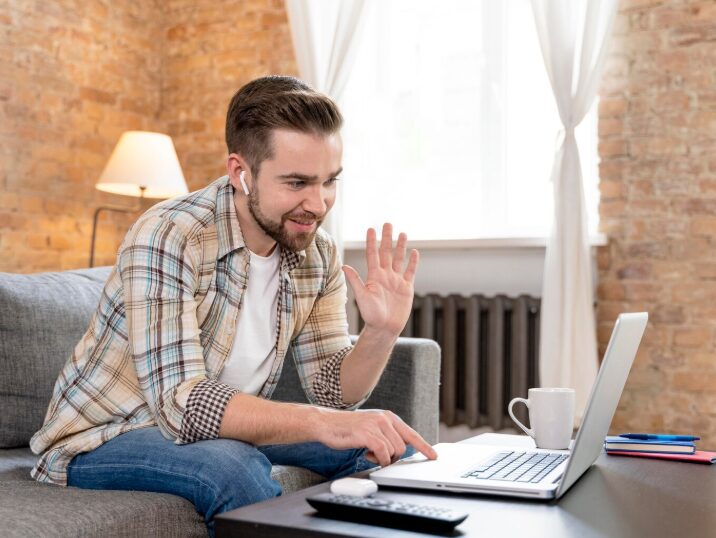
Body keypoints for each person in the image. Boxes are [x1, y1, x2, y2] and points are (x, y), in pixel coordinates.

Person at [30, 75, 437, 535]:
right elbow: (181, 405)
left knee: (388, 447)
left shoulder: (315, 253)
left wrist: (380, 333)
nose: (318, 204)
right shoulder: (170, 234)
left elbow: (332, 391)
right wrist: (323, 423)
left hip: (220, 431)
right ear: (240, 172)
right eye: (297, 182)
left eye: (329, 182)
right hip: (105, 436)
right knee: (235, 466)